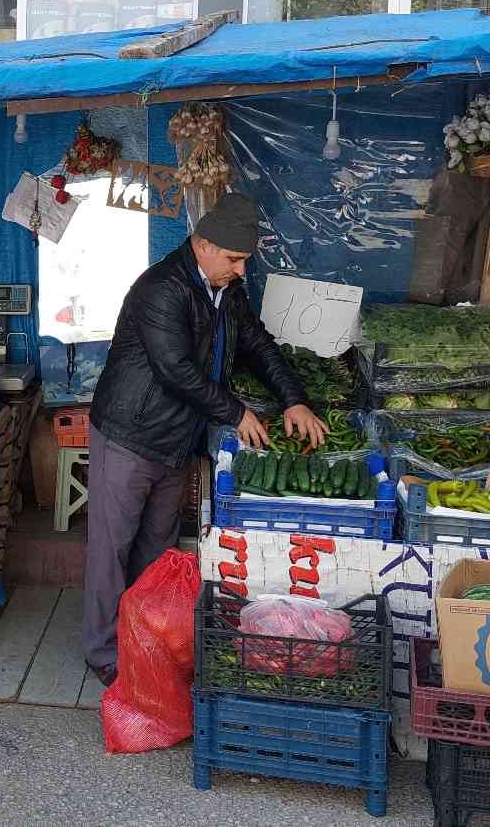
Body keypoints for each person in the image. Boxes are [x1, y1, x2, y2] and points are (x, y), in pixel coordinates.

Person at [81, 192, 327, 686]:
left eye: (244, 261)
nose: (240, 270)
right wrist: (236, 412)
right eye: (234, 259)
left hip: (178, 439)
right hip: (131, 434)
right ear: (206, 245)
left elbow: (256, 342)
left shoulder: (226, 290)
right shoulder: (162, 289)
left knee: (157, 546)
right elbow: (175, 370)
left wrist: (294, 399)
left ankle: (146, 635)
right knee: (112, 548)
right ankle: (104, 652)